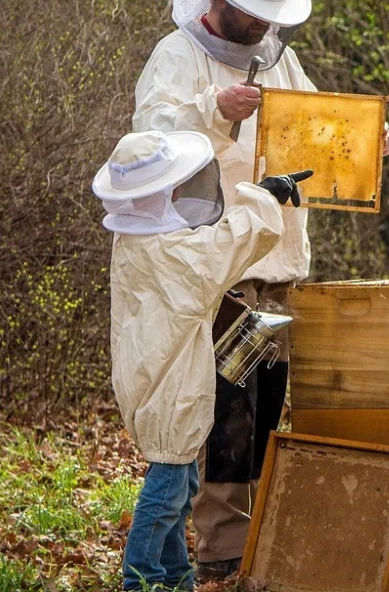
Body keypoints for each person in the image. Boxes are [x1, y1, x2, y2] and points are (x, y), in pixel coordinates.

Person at [131, 0, 389, 580]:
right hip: (217, 261)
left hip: (280, 261)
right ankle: (223, 544)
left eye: (267, 13)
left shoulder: (281, 57)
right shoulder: (177, 56)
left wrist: (366, 144)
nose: (260, 25)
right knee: (228, 407)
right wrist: (212, 111)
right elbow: (147, 145)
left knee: (270, 403)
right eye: (251, 11)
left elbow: (314, 136)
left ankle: (260, 538)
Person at [93, 129, 308, 590]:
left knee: (178, 480)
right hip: (169, 385)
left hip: (150, 375)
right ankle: (140, 579)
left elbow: (203, 243)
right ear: (158, 192)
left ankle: (175, 578)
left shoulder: (135, 243)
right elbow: (227, 246)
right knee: (169, 486)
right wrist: (262, 196)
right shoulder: (174, 256)